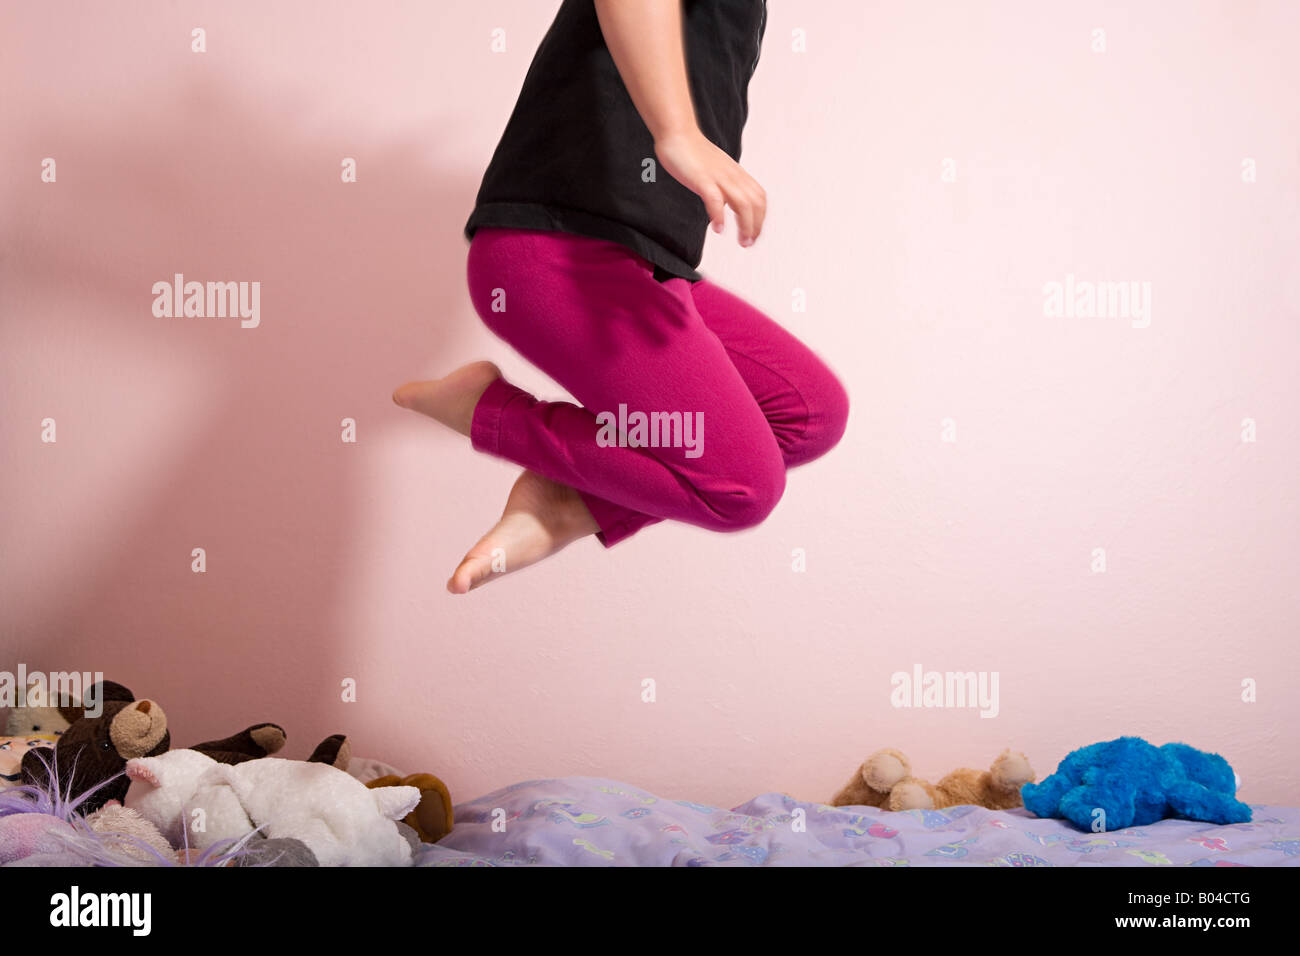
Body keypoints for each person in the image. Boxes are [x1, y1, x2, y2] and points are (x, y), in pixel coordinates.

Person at [394, 0, 848, 593]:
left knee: (807, 412)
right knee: (742, 487)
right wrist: (678, 132)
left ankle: (571, 501)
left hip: (643, 264)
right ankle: (492, 412)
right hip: (560, 250)